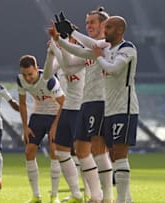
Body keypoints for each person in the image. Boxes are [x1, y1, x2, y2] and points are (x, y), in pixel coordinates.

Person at [50, 7, 114, 203]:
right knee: (80, 149)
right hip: (87, 102)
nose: (88, 26)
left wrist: (72, 33)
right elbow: (70, 63)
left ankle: (107, 198)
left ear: (104, 25)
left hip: (101, 100)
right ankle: (96, 195)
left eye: (92, 22)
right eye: (87, 23)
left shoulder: (109, 44)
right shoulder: (91, 49)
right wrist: (59, 41)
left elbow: (95, 46)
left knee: (98, 149)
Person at [92, 16, 139, 203]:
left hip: (124, 108)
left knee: (119, 155)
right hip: (110, 109)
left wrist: (98, 58)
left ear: (120, 30)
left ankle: (120, 200)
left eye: (109, 27)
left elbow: (113, 69)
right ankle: (127, 199)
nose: (105, 30)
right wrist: (68, 35)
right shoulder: (108, 49)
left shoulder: (127, 48)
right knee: (113, 155)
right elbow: (90, 44)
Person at [44, 36, 88, 203]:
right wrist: (50, 54)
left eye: (65, 38)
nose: (63, 42)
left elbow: (69, 68)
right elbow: (47, 75)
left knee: (83, 154)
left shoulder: (83, 56)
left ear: (74, 41)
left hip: (81, 108)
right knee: (61, 151)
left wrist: (56, 47)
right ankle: (76, 193)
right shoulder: (62, 61)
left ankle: (90, 193)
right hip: (67, 109)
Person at [17, 55, 65, 203]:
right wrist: (25, 127)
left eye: (30, 74)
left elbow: (63, 103)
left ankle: (54, 196)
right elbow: (23, 103)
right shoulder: (20, 80)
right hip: (38, 115)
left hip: (55, 115)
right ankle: (36, 196)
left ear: (37, 69)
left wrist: (55, 126)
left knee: (53, 152)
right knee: (29, 151)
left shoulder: (49, 81)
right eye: (25, 74)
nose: (28, 78)